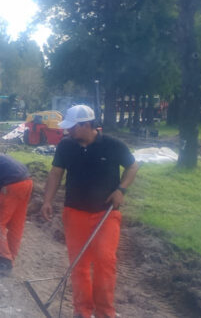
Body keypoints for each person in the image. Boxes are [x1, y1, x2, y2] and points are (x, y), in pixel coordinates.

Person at [41, 105, 139, 318]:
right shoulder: (66, 145)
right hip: (74, 212)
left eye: (72, 127)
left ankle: (105, 312)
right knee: (79, 264)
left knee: (105, 261)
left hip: (106, 213)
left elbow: (133, 166)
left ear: (86, 125)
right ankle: (82, 311)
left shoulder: (112, 145)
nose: (68, 131)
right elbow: (56, 173)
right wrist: (47, 200)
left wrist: (121, 190)